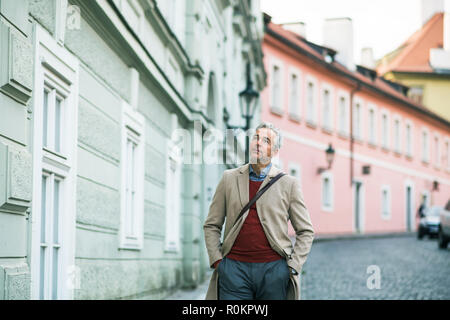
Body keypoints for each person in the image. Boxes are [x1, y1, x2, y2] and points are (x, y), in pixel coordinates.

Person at [203, 122, 314, 300]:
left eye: (266, 141)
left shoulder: (288, 184)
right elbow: (211, 224)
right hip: (234, 270)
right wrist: (217, 260)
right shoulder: (229, 178)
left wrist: (293, 266)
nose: (258, 143)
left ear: (275, 151)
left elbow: (306, 231)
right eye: (256, 138)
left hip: (274, 271)